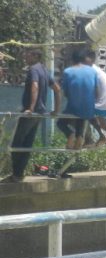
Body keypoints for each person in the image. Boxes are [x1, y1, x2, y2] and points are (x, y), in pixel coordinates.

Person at [3, 48, 61, 183]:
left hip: (31, 113)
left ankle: (16, 174)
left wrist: (30, 108)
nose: (25, 56)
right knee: (27, 145)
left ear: (35, 55)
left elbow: (34, 85)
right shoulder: (44, 70)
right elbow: (57, 89)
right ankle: (19, 174)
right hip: (39, 114)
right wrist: (55, 111)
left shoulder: (33, 69)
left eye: (27, 54)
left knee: (17, 144)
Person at [56, 47, 97, 150]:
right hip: (89, 110)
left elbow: (65, 92)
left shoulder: (68, 71)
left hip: (74, 108)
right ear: (83, 59)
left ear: (72, 60)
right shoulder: (92, 71)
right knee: (82, 116)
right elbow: (95, 90)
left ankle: (70, 134)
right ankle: (79, 137)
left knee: (60, 122)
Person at [84, 49, 106, 146]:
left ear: (91, 59)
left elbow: (91, 90)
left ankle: (89, 139)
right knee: (96, 114)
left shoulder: (91, 71)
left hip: (104, 105)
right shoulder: (96, 70)